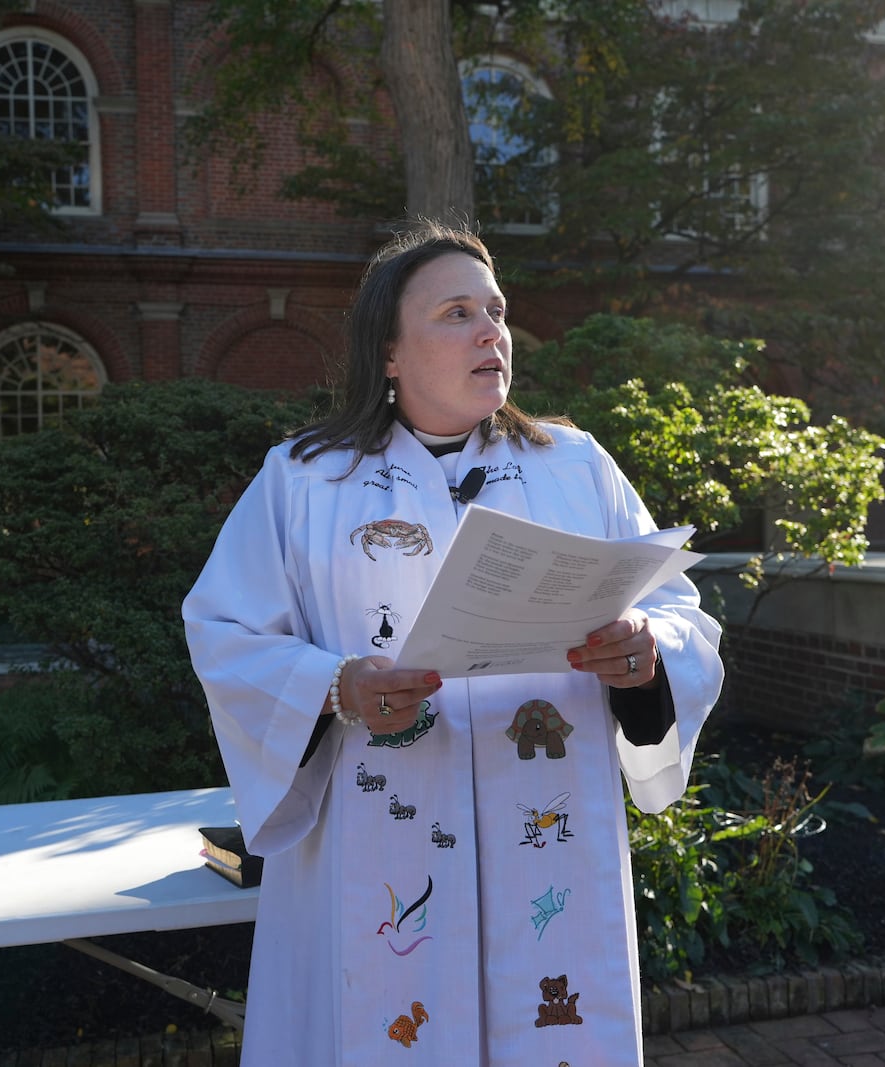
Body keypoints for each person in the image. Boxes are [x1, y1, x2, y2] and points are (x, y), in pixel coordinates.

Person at [183, 222, 724, 1065]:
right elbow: (222, 633)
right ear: (390, 353)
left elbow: (680, 610)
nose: (491, 331)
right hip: (378, 832)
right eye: (457, 312)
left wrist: (646, 656)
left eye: (497, 310)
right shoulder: (304, 479)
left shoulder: (574, 467)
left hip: (546, 833)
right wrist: (336, 686)